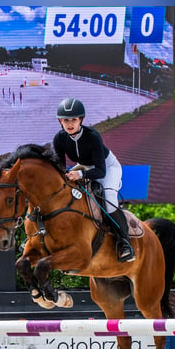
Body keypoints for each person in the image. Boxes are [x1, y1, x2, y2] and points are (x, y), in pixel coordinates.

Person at [52, 97, 134, 262]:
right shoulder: (59, 138)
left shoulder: (92, 136)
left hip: (107, 167)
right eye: (66, 120)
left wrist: (80, 175)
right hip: (82, 166)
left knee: (109, 199)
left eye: (74, 119)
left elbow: (100, 171)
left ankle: (125, 243)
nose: (69, 124)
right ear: (60, 121)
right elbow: (60, 168)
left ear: (80, 119)